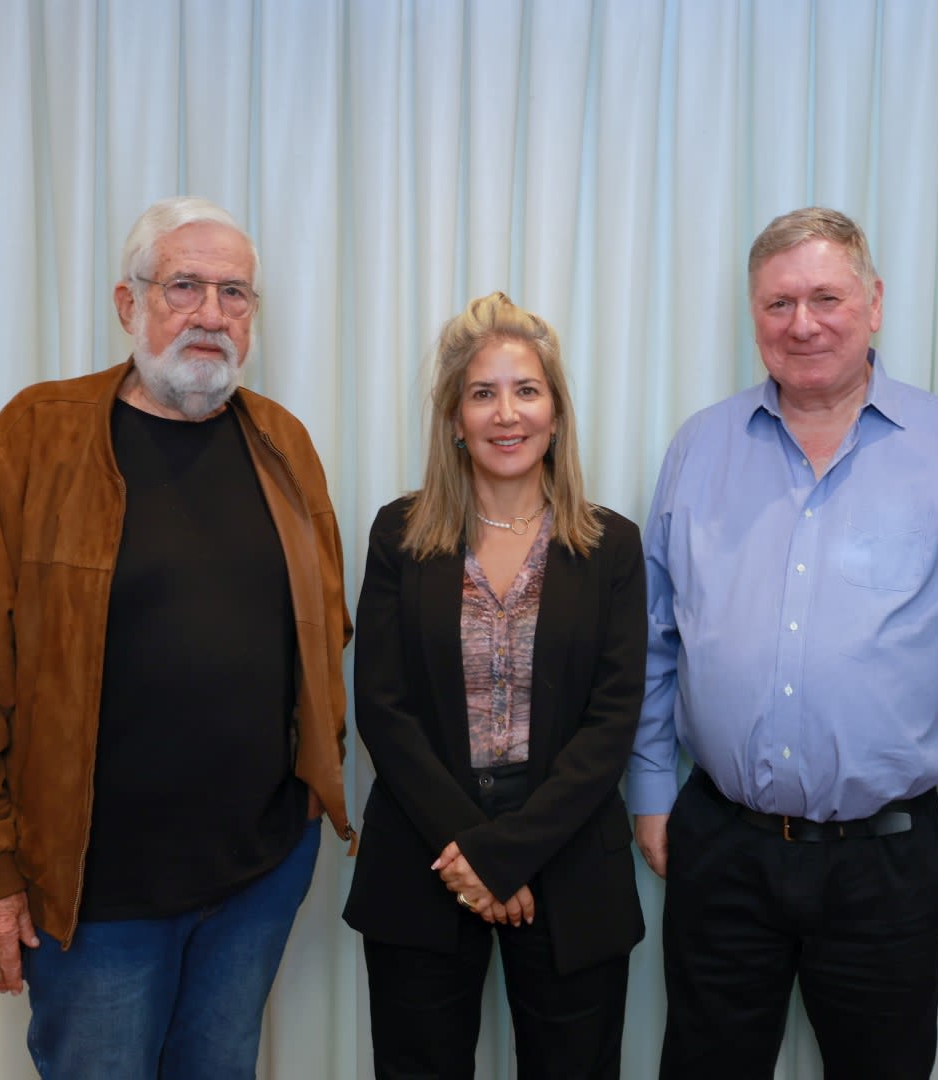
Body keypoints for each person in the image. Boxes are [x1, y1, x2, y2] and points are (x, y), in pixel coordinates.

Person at [0, 196, 356, 1079]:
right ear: (127, 302)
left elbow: (323, 627)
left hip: (254, 876)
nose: (211, 314)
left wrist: (312, 786)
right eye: (184, 285)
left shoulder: (283, 445)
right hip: (94, 891)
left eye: (234, 293)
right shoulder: (36, 439)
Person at [628, 207, 938, 1078]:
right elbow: (656, 636)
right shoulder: (701, 447)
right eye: (778, 303)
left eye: (826, 297)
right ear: (753, 313)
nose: (802, 323)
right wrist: (650, 786)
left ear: (875, 302)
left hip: (884, 858)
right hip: (722, 844)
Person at [343, 292, 645, 1079]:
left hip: (570, 861)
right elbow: (382, 705)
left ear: (555, 413)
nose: (505, 414)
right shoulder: (400, 533)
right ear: (454, 417)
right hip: (424, 851)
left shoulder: (612, 545)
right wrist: (472, 856)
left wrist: (511, 853)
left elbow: (612, 722)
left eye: (526, 390)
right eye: (482, 393)